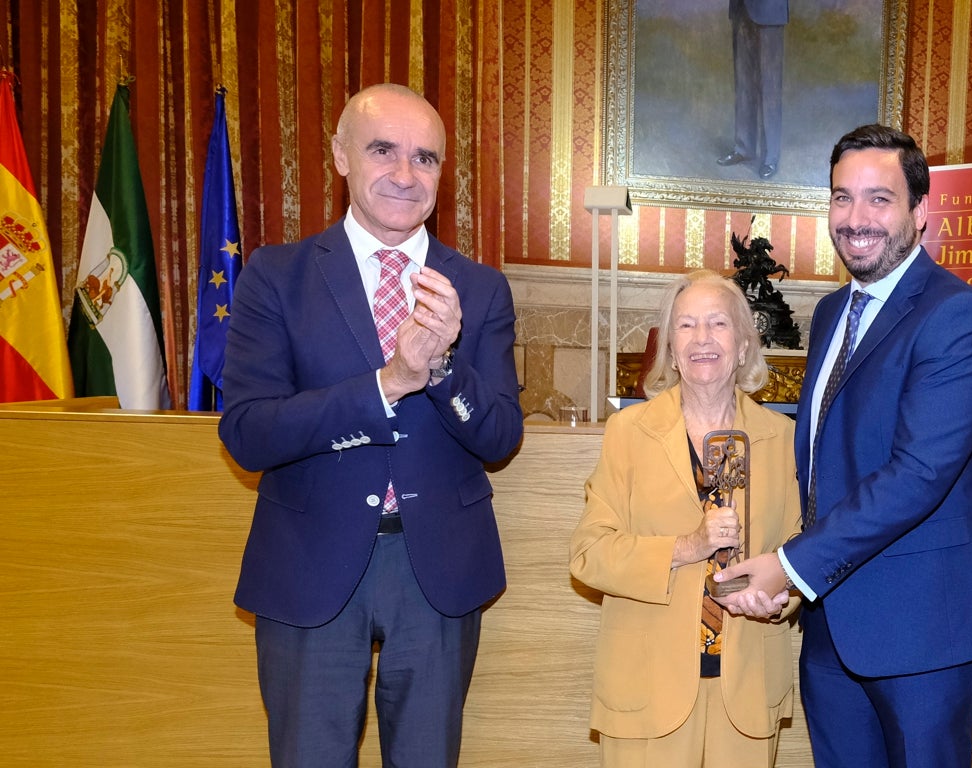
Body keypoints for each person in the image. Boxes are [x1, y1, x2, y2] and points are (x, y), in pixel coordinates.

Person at [218, 83, 523, 767]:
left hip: (437, 570)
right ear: (340, 157)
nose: (406, 175)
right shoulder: (276, 276)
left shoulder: (476, 289)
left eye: (426, 159)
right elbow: (247, 432)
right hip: (310, 562)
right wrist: (386, 386)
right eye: (384, 151)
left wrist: (443, 369)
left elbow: (500, 435)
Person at [714, 124, 972, 767]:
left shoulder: (957, 316)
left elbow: (917, 475)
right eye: (842, 198)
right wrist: (800, 578)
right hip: (833, 625)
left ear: (919, 211)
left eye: (879, 199)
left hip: (922, 628)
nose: (856, 219)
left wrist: (791, 565)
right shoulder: (828, 314)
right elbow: (829, 467)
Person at [569, 270, 802, 767]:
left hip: (746, 686)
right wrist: (688, 546)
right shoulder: (629, 433)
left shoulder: (781, 438)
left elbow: (798, 551)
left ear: (742, 346)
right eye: (686, 326)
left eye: (718, 324)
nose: (702, 339)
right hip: (646, 687)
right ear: (671, 349)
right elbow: (589, 555)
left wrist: (780, 597)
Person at [717, 0, 788, 180]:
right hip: (741, 9)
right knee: (743, 84)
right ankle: (744, 148)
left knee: (770, 87)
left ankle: (770, 157)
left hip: (769, 11)